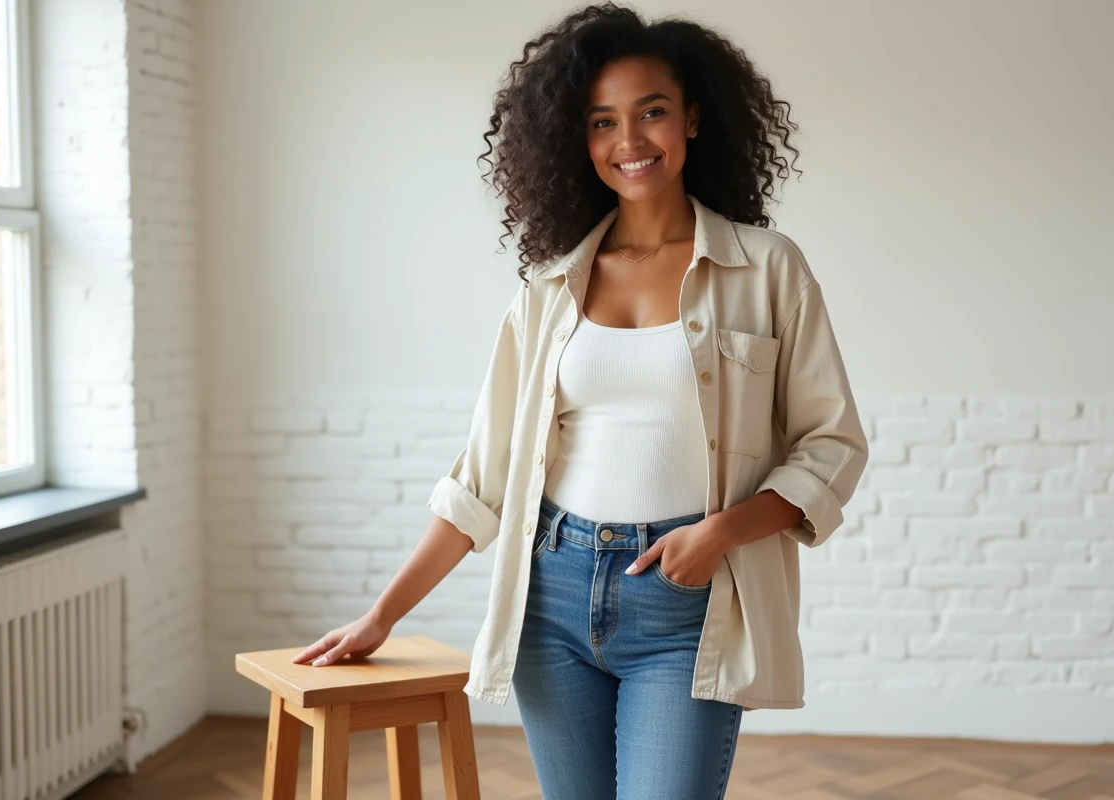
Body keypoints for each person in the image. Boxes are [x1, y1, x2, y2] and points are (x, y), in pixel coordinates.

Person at [294, 3, 869, 798]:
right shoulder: (548, 289)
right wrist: (381, 616)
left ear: (694, 118)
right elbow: (482, 478)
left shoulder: (767, 270)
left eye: (651, 113)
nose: (629, 142)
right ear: (579, 139)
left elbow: (831, 444)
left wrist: (721, 534)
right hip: (553, 595)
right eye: (603, 122)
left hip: (687, 601)